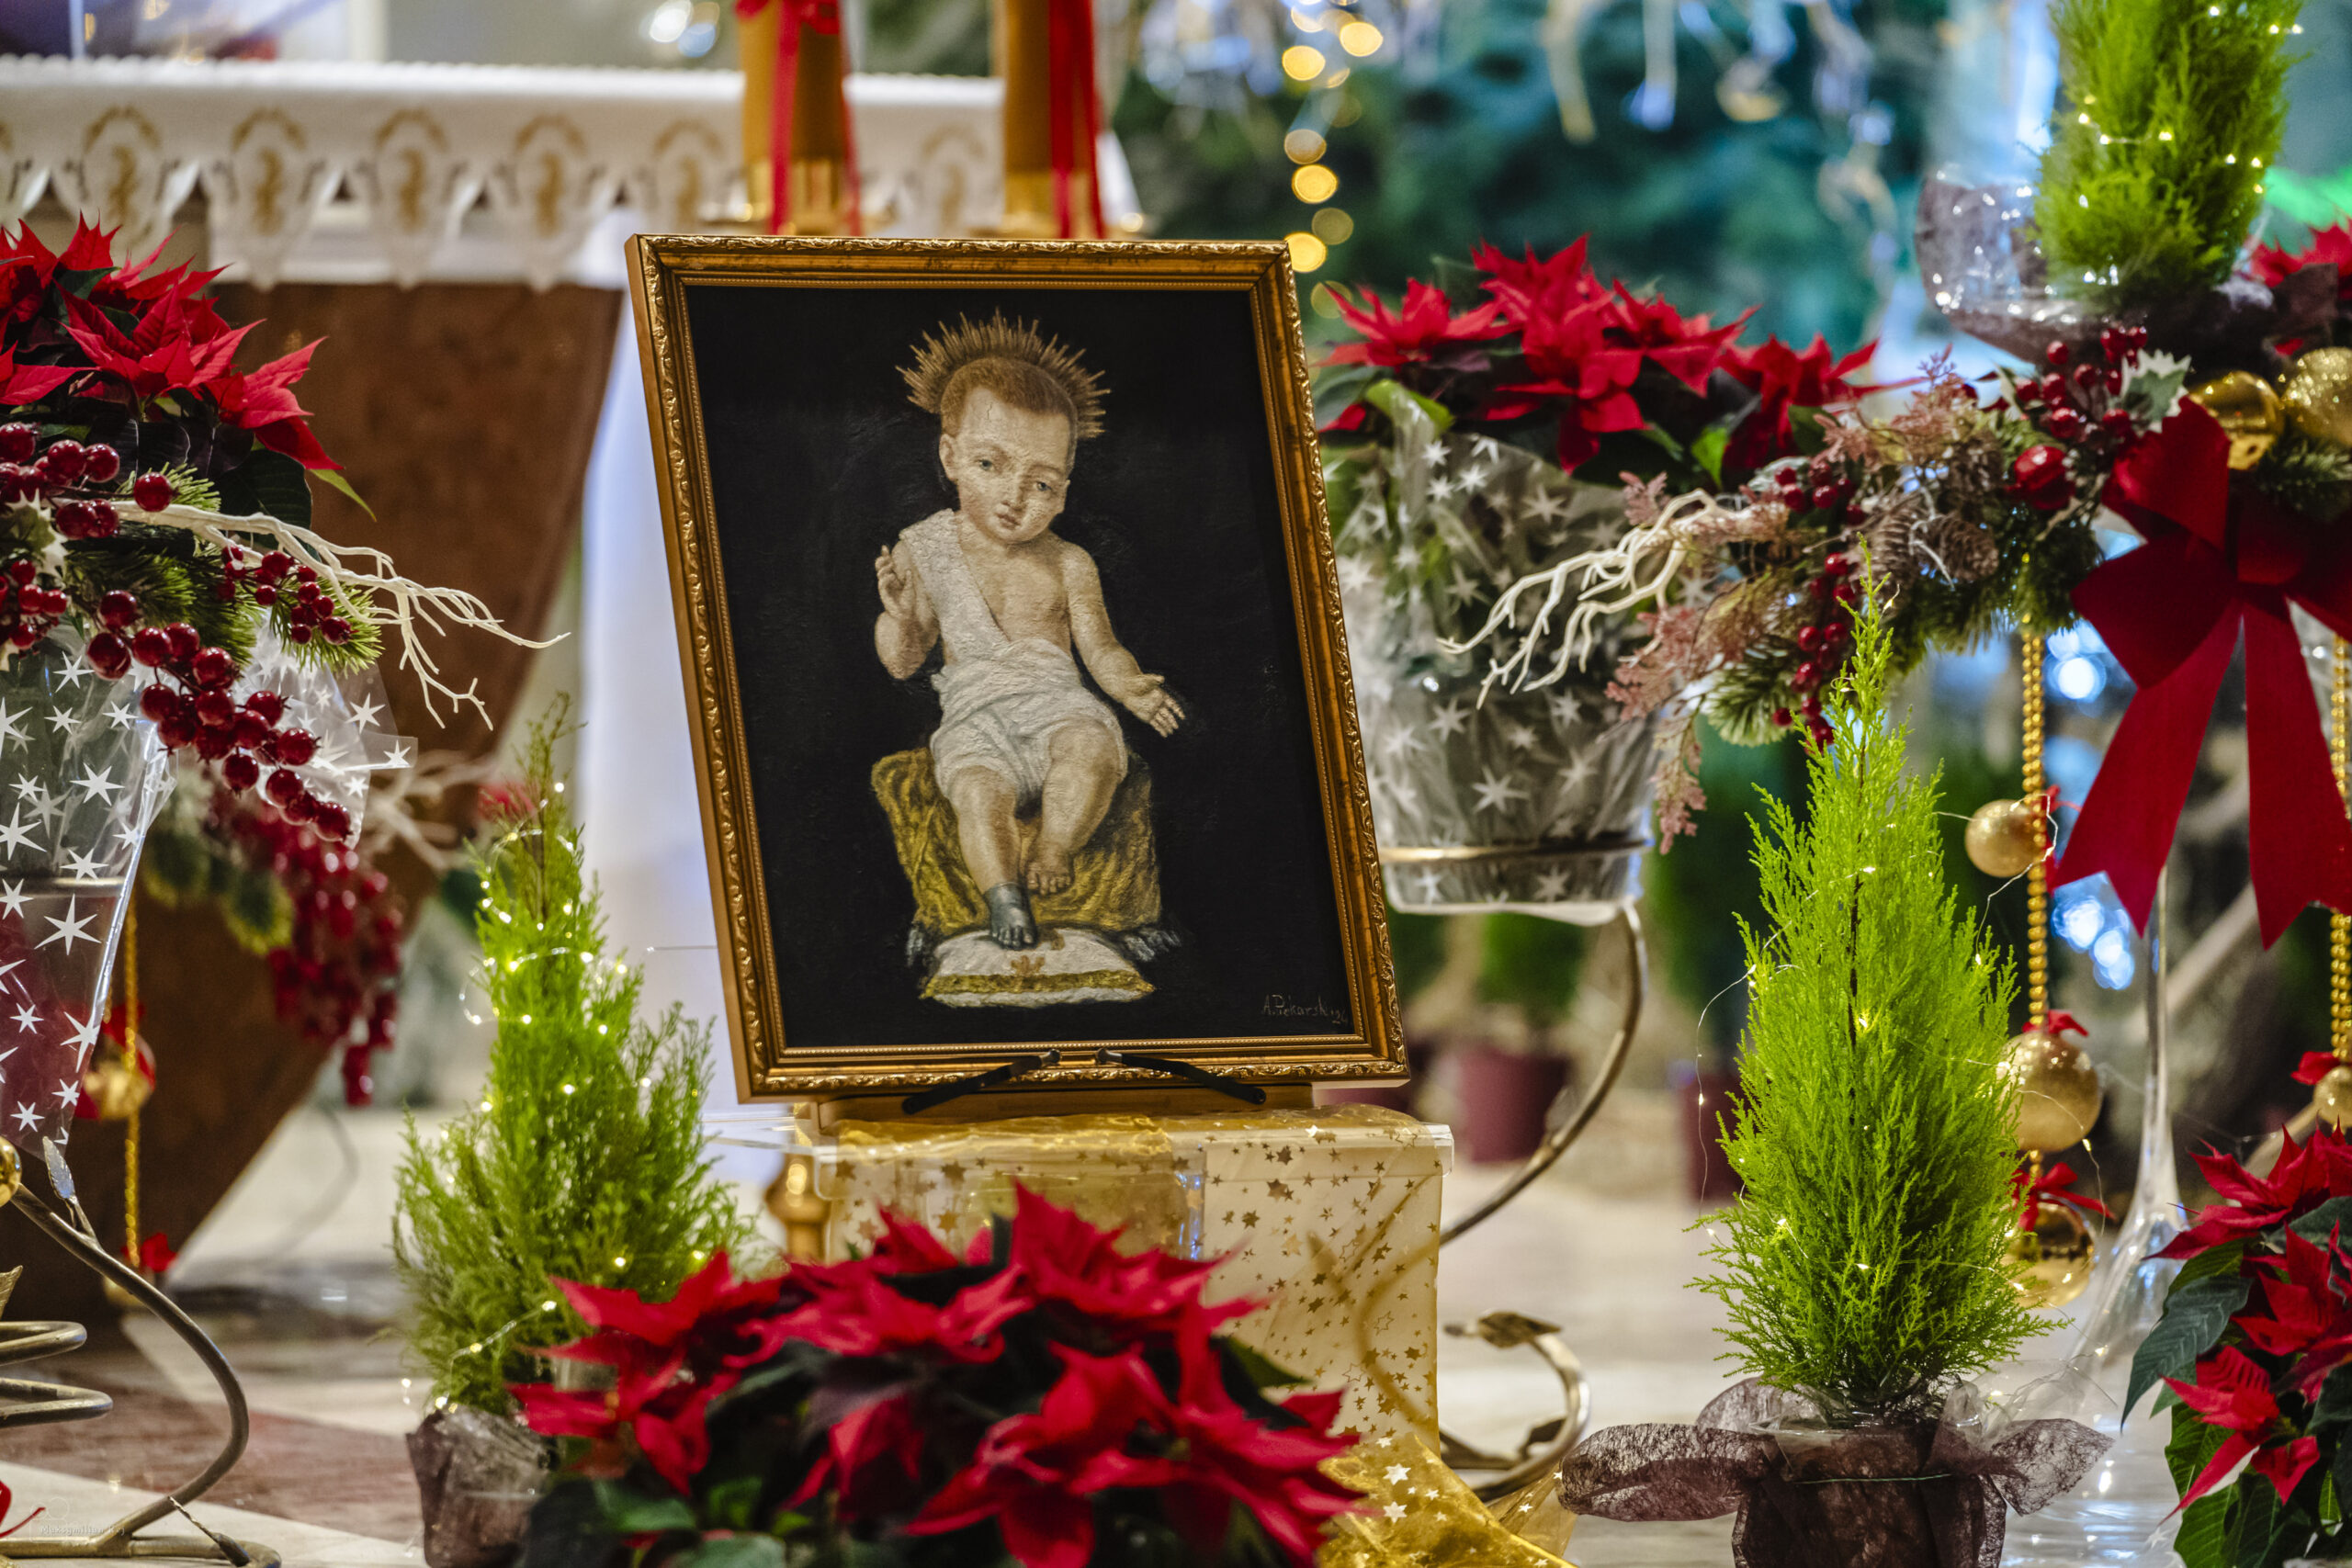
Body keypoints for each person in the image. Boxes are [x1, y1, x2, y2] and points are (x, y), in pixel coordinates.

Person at [875, 315, 1183, 950]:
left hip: (1057, 707)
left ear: (1063, 494)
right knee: (976, 791)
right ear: (951, 457)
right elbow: (903, 662)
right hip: (975, 717)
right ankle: (1004, 896)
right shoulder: (925, 551)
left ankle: (1054, 845)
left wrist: (1129, 687)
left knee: (1090, 750)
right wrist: (901, 617)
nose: (1015, 496)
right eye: (990, 464)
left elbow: (1100, 648)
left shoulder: (1069, 563)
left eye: (1040, 483)